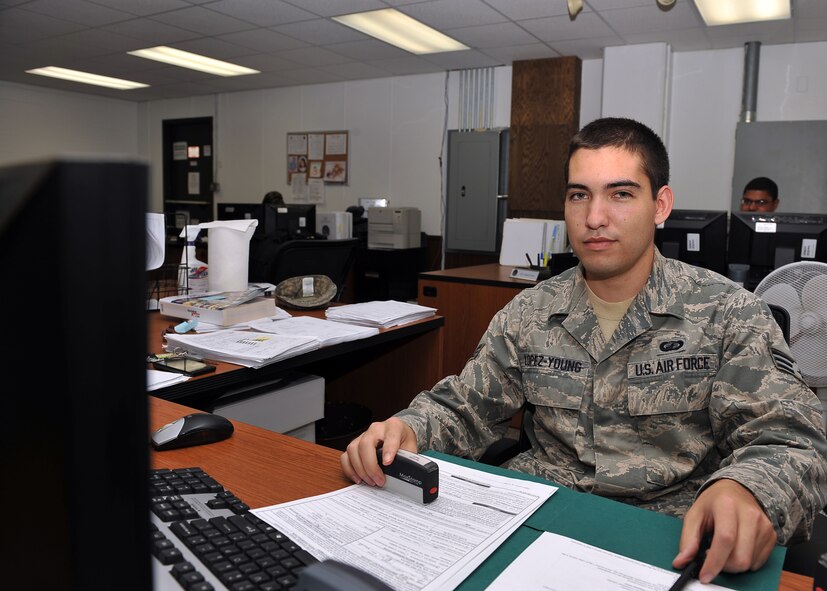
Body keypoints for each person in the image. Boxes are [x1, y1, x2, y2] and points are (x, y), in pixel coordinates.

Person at [341, 117, 827, 583]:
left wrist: (749, 490)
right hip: (535, 521)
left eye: (620, 194)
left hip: (667, 534)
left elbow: (791, 439)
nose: (594, 218)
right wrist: (407, 426)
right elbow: (465, 406)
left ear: (660, 206)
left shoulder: (728, 313)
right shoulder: (530, 311)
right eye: (579, 196)